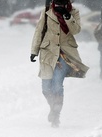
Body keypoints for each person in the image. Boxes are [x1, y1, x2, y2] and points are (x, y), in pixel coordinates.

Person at [30, 0, 89, 128]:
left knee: (57, 85)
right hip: (48, 54)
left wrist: (67, 16)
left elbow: (76, 30)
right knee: (46, 88)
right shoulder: (47, 11)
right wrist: (34, 50)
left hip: (65, 55)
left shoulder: (73, 12)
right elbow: (39, 31)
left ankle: (56, 113)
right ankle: (53, 107)